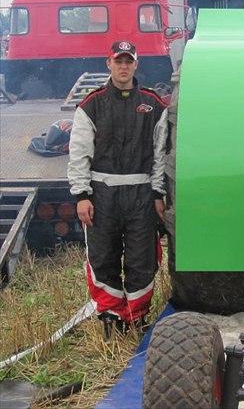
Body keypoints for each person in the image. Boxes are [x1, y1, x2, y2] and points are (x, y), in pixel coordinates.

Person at [68, 41, 168, 336]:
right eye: (118, 61)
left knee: (142, 258)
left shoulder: (154, 105)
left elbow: (161, 153)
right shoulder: (91, 104)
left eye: (129, 61)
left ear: (136, 64)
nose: (123, 66)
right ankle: (111, 316)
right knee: (103, 256)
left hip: (140, 194)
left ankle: (136, 317)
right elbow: (79, 152)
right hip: (101, 194)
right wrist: (81, 195)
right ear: (108, 63)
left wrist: (157, 193)